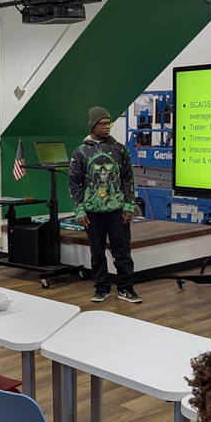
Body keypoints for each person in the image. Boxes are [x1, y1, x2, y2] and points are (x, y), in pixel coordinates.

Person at [68, 105, 141, 304]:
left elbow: (128, 179)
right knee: (97, 253)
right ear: (93, 126)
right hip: (93, 212)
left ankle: (126, 288)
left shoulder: (120, 149)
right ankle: (102, 288)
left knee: (122, 252)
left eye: (108, 123)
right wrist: (80, 210)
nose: (106, 127)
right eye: (102, 124)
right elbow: (74, 183)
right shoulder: (80, 153)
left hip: (117, 211)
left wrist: (129, 206)